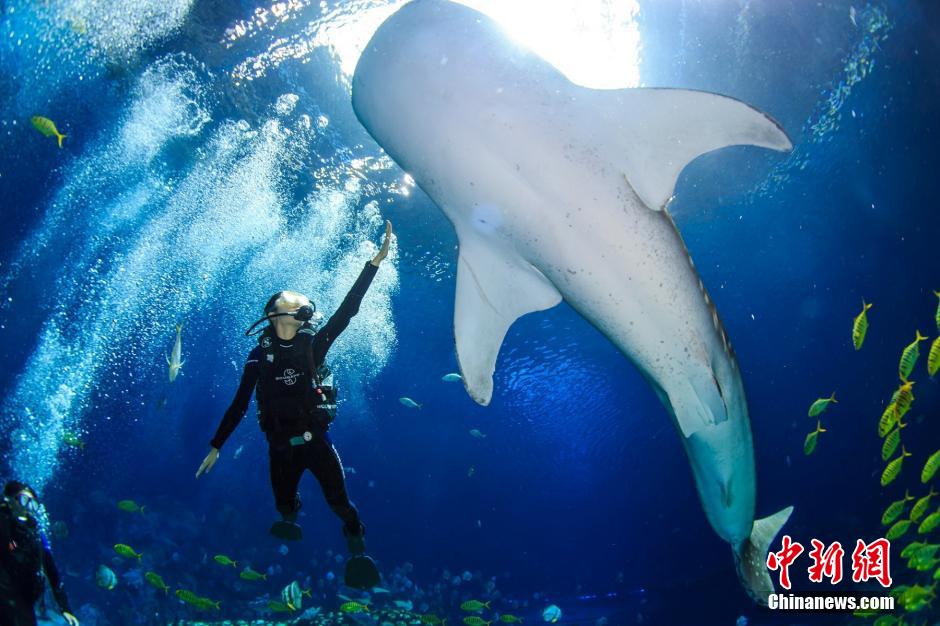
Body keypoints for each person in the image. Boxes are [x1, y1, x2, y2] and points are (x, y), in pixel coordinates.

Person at [196, 220, 393, 589]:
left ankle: (356, 545)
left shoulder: (313, 347)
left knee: (340, 504)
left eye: (304, 303)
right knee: (283, 505)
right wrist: (216, 445)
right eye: (294, 300)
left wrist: (374, 264)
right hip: (279, 446)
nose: (303, 303)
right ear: (274, 314)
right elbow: (239, 404)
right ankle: (290, 517)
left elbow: (347, 312)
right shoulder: (258, 358)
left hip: (315, 441)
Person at [0, 480, 79, 626]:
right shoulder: (4, 523)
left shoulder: (34, 530)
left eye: (33, 502)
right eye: (23, 499)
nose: (28, 506)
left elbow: (50, 566)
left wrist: (64, 607)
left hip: (26, 598)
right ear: (9, 500)